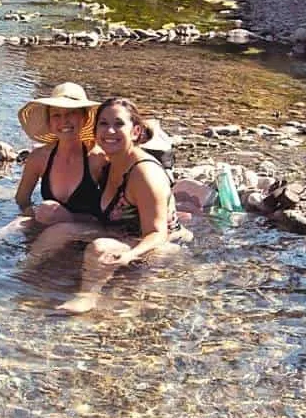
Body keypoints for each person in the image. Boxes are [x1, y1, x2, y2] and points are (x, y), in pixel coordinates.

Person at [51, 97, 190, 314]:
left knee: (100, 247)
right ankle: (18, 275)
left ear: (135, 132)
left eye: (118, 124)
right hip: (123, 234)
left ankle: (87, 297)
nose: (110, 131)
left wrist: (130, 255)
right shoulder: (108, 164)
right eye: (103, 124)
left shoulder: (144, 173)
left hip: (161, 247)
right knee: (59, 230)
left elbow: (157, 233)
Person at [13, 82, 107, 225]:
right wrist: (33, 213)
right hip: (47, 227)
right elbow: (22, 200)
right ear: (49, 122)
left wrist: (70, 219)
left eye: (71, 113)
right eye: (56, 115)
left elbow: (111, 214)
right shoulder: (39, 158)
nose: (64, 121)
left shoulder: (98, 159)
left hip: (86, 232)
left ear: (85, 118)